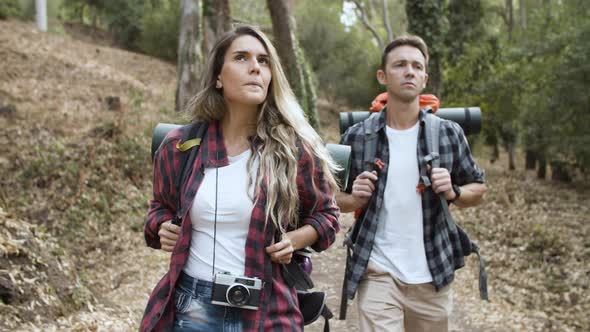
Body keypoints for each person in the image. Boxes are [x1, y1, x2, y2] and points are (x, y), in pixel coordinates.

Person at [140, 25, 340, 332]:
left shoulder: (294, 149)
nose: (255, 68)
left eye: (263, 60)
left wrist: (294, 239)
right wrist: (162, 227)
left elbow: (327, 216)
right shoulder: (180, 147)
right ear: (218, 77)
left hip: (269, 310)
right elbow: (159, 210)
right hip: (193, 309)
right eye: (241, 58)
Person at [337, 35, 487, 332]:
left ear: (424, 78)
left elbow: (478, 188)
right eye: (400, 65)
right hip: (378, 272)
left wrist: (454, 192)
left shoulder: (448, 133)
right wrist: (354, 200)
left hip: (433, 274)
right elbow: (330, 197)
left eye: (417, 66)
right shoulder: (356, 136)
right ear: (383, 76)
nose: (409, 71)